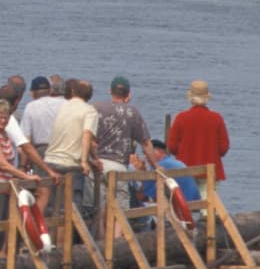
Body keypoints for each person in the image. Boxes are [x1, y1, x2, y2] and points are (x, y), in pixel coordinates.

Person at [0, 99, 42, 257]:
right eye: (0, 117)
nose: (3, 120)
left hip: (4, 186)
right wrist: (26, 176)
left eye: (6, 117)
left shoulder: (5, 135)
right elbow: (2, 164)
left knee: (1, 231)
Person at [94, 76, 157, 231]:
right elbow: (146, 143)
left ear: (110, 91)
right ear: (128, 94)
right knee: (121, 208)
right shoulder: (132, 112)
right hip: (118, 166)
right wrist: (155, 165)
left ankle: (102, 241)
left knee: (101, 206)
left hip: (98, 164)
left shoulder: (97, 108)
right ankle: (115, 242)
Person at [44, 78, 100, 218]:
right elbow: (86, 134)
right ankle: (65, 240)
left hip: (51, 160)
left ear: (73, 92)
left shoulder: (63, 106)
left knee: (52, 209)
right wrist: (85, 162)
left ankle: (50, 239)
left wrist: (93, 158)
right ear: (89, 96)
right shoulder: (89, 111)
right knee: (69, 211)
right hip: (70, 164)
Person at [167, 79, 229, 186]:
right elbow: (223, 147)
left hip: (185, 170)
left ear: (190, 97)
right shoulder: (216, 118)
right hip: (209, 172)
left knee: (189, 201)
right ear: (207, 98)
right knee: (208, 201)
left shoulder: (181, 118)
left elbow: (172, 147)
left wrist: (184, 151)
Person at [18, 76, 62, 161]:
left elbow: (26, 139)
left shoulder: (31, 107)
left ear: (32, 93)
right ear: (50, 90)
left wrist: (23, 164)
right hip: (64, 150)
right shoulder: (64, 104)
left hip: (41, 152)